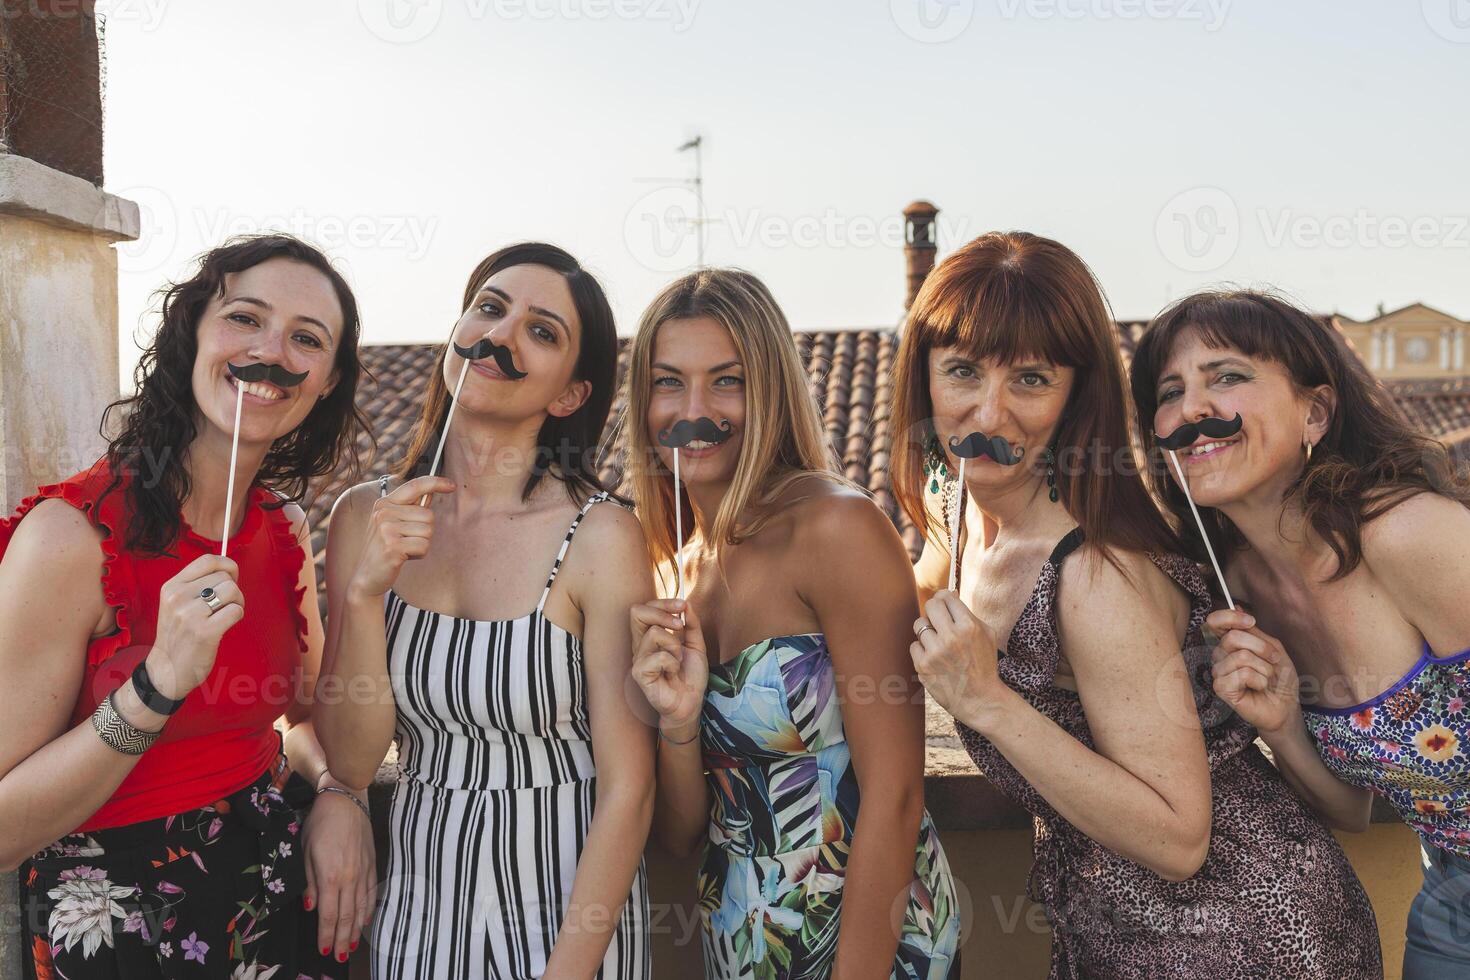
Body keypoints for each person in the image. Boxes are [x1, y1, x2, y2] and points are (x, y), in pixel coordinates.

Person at [892, 234, 1381, 978]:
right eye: (962, 370)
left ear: (1075, 397)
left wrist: (987, 701)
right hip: (1115, 933)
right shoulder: (953, 506)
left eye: (1031, 379)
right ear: (921, 377)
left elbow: (1179, 840)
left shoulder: (1093, 572)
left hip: (1245, 936)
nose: (990, 411)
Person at [0, 234, 376, 977]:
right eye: (245, 318)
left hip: (268, 884)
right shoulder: (70, 540)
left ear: (328, 381)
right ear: (193, 332)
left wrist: (339, 794)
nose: (272, 352)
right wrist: (155, 685)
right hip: (118, 918)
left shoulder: (282, 529)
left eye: (307, 339)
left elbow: (301, 721)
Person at [315, 243, 654, 980]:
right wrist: (366, 592)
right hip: (418, 912)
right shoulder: (360, 517)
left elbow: (629, 786)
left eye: (542, 331)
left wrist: (569, 970)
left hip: (569, 913)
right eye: (490, 308)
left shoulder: (602, 537)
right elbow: (350, 758)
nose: (500, 336)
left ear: (568, 395)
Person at [627, 268, 961, 979]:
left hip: (872, 944)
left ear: (771, 387)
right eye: (667, 382)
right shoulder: (671, 571)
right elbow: (686, 835)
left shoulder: (837, 527)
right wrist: (680, 720)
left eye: (728, 380)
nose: (693, 410)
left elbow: (898, 797)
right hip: (744, 941)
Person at [1131, 289, 1470, 978]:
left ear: (1314, 412)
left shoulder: (1411, 536)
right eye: (1170, 391)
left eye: (1226, 376)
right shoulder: (1238, 593)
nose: (1191, 408)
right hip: (1451, 898)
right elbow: (1352, 810)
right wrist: (1282, 725)